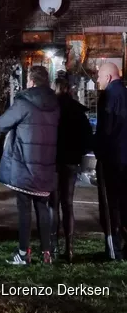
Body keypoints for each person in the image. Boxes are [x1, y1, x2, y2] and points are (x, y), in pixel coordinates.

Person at [0, 65, 59, 265]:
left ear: (31, 81)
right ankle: (47, 253)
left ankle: (23, 253)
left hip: (24, 166)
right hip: (46, 166)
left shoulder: (24, 103)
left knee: (24, 210)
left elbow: (2, 124)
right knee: (43, 208)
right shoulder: (56, 104)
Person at [49, 77, 92, 263]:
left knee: (53, 204)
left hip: (53, 160)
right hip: (71, 161)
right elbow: (87, 137)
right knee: (68, 203)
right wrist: (78, 154)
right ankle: (70, 247)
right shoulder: (77, 110)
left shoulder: (50, 108)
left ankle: (53, 246)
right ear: (68, 89)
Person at [95, 62, 127, 261]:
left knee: (110, 205)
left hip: (112, 159)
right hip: (124, 158)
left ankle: (114, 248)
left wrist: (97, 149)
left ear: (108, 77)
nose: (97, 79)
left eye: (99, 76)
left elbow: (106, 130)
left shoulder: (108, 97)